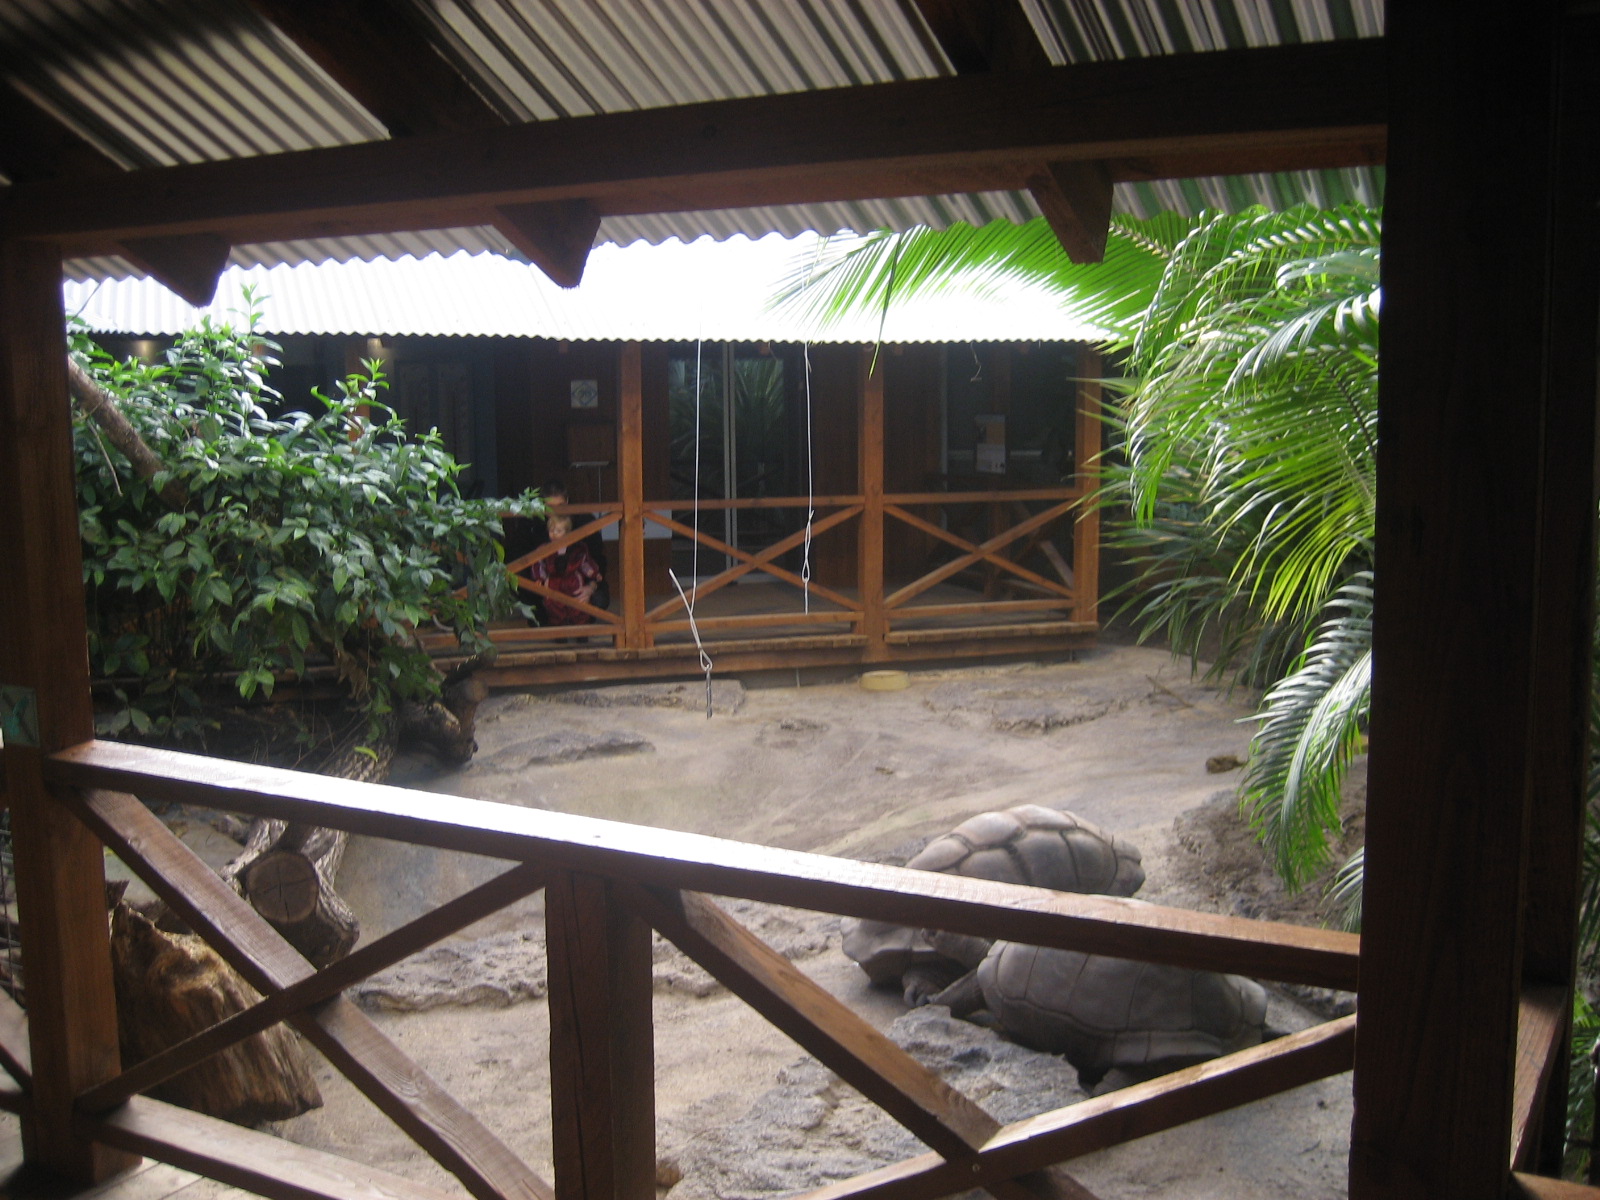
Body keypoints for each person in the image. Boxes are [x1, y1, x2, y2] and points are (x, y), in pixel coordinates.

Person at [527, 511, 605, 627]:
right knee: (554, 605)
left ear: (567, 532)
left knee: (578, 605)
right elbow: (539, 564)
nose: (554, 534)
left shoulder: (577, 548)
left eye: (558, 531)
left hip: (572, 580)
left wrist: (594, 574)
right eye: (551, 531)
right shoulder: (544, 549)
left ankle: (580, 629)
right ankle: (559, 629)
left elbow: (585, 562)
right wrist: (540, 578)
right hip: (554, 581)